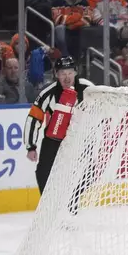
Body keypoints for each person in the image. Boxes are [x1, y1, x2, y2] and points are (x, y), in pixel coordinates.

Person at [24, 56, 94, 195]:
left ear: (75, 72)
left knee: (89, 171)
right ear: (56, 74)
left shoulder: (88, 88)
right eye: (62, 73)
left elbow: (104, 103)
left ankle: (72, 202)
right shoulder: (48, 93)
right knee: (43, 171)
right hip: (53, 140)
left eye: (69, 73)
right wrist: (31, 146)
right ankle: (48, 204)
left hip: (80, 139)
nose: (67, 78)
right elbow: (33, 118)